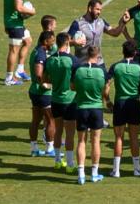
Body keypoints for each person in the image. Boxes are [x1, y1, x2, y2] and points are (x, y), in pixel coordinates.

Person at [106, 39, 140, 178]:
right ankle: (136, 169)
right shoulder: (139, 68)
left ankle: (116, 170)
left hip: (120, 104)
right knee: (134, 137)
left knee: (119, 137)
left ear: (123, 51)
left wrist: (107, 101)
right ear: (135, 52)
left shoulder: (116, 66)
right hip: (134, 104)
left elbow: (106, 85)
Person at [69, 44, 109, 185]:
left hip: (81, 108)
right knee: (96, 141)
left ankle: (81, 174)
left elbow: (72, 87)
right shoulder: (102, 71)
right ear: (97, 55)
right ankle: (94, 173)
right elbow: (105, 91)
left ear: (86, 54)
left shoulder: (78, 70)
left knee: (81, 141)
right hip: (96, 109)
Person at [25, 16, 60, 156]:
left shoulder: (36, 50)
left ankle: (34, 148)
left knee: (36, 119)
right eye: (52, 41)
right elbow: (39, 73)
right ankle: (50, 148)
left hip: (34, 90)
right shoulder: (40, 53)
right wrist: (46, 84)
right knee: (51, 119)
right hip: (42, 92)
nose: (53, 43)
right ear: (46, 41)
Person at [41, 26, 77, 164]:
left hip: (55, 100)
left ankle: (57, 161)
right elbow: (76, 81)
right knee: (69, 134)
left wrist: (54, 82)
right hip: (70, 100)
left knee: (58, 131)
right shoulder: (72, 60)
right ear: (67, 43)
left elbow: (45, 79)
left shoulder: (50, 60)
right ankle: (69, 163)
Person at [2, 0, 35, 84]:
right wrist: (31, 12)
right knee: (13, 50)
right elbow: (19, 8)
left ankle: (19, 70)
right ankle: (9, 78)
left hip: (12, 22)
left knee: (28, 41)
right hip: (15, 25)